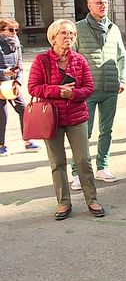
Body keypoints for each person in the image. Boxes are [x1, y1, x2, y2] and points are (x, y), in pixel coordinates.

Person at [28, 19, 105, 219]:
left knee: (83, 160)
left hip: (76, 117)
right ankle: (63, 202)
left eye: (71, 34)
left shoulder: (79, 60)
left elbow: (88, 87)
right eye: (64, 33)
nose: (69, 37)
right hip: (51, 118)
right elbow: (33, 87)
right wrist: (57, 91)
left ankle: (92, 199)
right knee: (57, 162)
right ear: (53, 37)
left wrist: (73, 94)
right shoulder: (41, 60)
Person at [70, 0, 126, 190]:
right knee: (83, 132)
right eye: (98, 3)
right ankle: (78, 173)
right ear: (89, 6)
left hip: (110, 88)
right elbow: (72, 59)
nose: (102, 6)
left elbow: (122, 56)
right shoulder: (78, 29)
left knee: (107, 130)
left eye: (104, 2)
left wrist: (122, 79)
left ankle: (102, 167)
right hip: (87, 91)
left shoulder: (114, 28)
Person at [0, 18, 40, 156]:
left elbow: (20, 65)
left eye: (16, 30)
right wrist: (3, 72)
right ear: (2, 31)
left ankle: (28, 140)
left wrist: (18, 81)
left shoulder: (16, 44)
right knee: (2, 115)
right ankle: (1, 145)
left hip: (12, 85)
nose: (14, 33)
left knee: (24, 109)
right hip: (0, 84)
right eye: (11, 30)